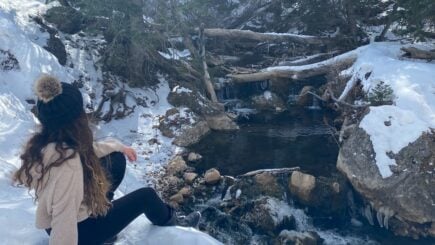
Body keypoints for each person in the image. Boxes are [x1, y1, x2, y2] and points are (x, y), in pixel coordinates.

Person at [13, 74, 200, 245]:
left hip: (74, 217)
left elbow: (86, 152)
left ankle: (101, 211)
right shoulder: (67, 167)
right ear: (76, 119)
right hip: (81, 232)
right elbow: (64, 218)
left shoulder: (48, 143)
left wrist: (119, 147)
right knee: (147, 196)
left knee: (115, 159)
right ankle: (175, 223)